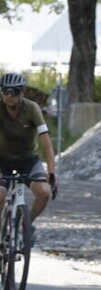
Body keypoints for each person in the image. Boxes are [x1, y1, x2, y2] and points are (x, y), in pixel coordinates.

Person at [0, 72, 57, 233]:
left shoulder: (32, 108)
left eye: (14, 92)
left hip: (28, 160)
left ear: (22, 93)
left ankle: (26, 223)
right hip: (2, 160)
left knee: (44, 193)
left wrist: (51, 173)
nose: (9, 96)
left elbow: (46, 141)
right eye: (5, 91)